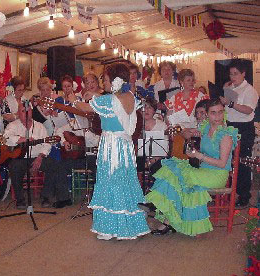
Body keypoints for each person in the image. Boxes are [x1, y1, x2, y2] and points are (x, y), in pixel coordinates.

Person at [68, 63, 150, 240]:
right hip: (126, 147)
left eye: (105, 80)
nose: (103, 83)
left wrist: (73, 98)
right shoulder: (130, 96)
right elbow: (112, 101)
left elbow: (84, 108)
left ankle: (112, 228)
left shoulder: (108, 100)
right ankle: (126, 227)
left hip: (112, 146)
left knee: (110, 182)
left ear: (115, 81)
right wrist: (95, 95)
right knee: (124, 182)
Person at [146, 99, 238, 236]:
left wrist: (198, 155)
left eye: (220, 112)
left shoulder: (225, 135)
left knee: (177, 174)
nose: (217, 117)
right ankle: (168, 219)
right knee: (173, 168)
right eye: (213, 113)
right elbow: (187, 133)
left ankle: (165, 216)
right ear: (207, 115)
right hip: (202, 172)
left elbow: (222, 164)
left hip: (216, 175)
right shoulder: (206, 128)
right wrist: (181, 130)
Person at [4, 102, 71, 209]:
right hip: (20, 158)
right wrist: (21, 139)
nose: (26, 113)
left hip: (37, 157)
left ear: (31, 111)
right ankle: (20, 199)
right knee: (14, 166)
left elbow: (47, 144)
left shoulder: (40, 126)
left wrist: (40, 157)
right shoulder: (12, 126)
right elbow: (6, 139)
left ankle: (46, 196)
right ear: (18, 113)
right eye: (22, 111)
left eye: (28, 110)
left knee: (54, 165)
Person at [220, 59, 259, 207]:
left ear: (243, 74)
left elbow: (248, 109)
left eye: (236, 74)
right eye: (231, 74)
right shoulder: (230, 87)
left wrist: (230, 103)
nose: (233, 77)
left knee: (242, 162)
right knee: (228, 160)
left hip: (244, 127)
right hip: (229, 125)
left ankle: (244, 195)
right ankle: (228, 191)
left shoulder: (250, 90)